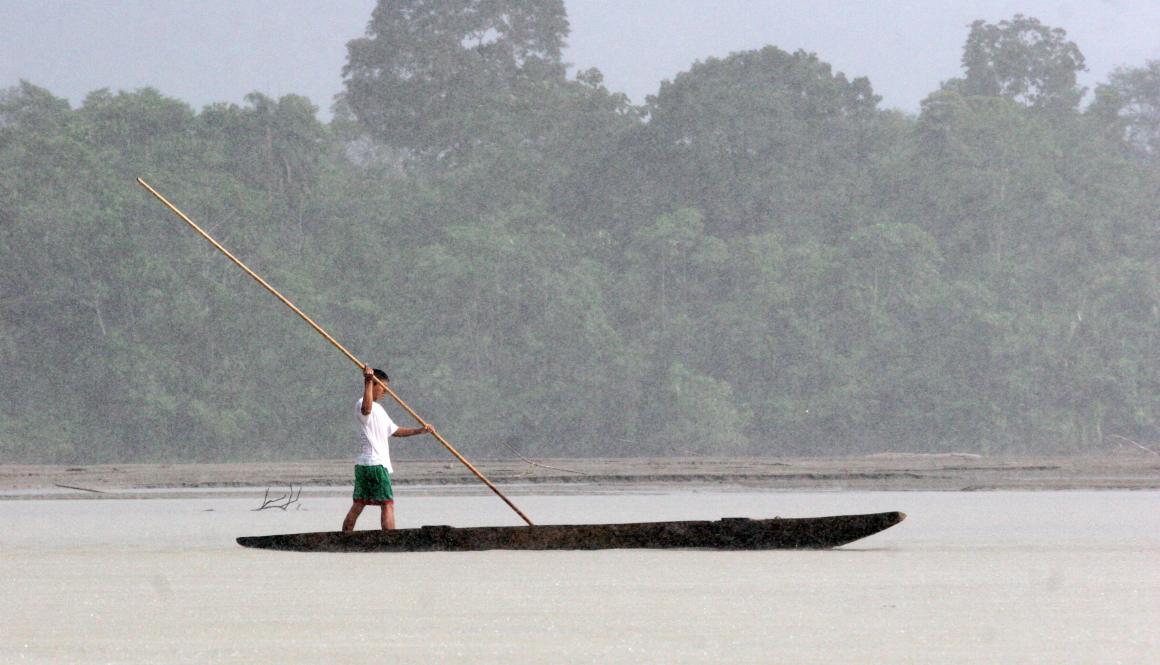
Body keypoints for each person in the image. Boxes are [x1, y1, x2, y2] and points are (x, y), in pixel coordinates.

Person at [342, 365, 432, 531]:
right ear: (374, 385)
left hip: (365, 466)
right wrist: (368, 381)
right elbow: (366, 409)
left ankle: (345, 536)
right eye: (382, 387)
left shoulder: (379, 409)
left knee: (359, 504)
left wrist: (420, 430)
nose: (385, 392)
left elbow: (395, 431)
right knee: (387, 504)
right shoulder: (363, 404)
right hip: (375, 465)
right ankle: (390, 539)